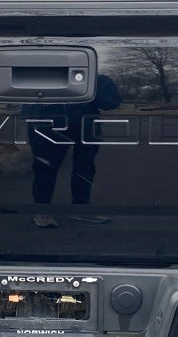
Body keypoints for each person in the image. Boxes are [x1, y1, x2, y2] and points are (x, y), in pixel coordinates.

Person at [23, 74, 121, 228]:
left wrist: (86, 86)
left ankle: (80, 208)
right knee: (45, 167)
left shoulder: (98, 79)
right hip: (48, 125)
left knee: (85, 167)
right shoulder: (43, 76)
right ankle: (42, 210)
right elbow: (26, 104)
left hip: (85, 126)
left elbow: (112, 103)